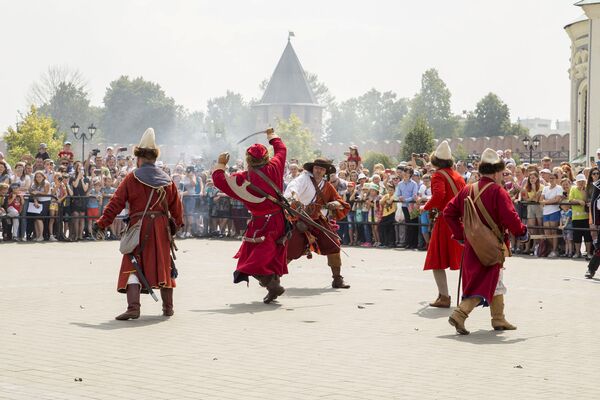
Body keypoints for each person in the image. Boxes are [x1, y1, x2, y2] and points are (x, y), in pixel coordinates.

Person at [94, 128, 184, 320]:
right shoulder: (167, 180)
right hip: (161, 228)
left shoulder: (132, 178)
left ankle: (134, 308)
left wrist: (102, 224)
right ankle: (168, 308)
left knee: (132, 264)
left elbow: (115, 203)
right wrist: (176, 226)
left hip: (139, 227)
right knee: (164, 263)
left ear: (139, 158)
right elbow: (177, 208)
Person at [444, 148, 528, 335]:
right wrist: (522, 233)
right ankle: (460, 313)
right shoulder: (498, 191)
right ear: (497, 172)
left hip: (472, 246)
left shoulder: (467, 189)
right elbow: (511, 218)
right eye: (502, 173)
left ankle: (498, 319)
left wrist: (460, 235)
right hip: (491, 247)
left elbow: (448, 212)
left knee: (495, 280)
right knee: (484, 282)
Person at [211, 129, 288, 303]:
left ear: (248, 160)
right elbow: (281, 149)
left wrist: (221, 164)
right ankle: (273, 285)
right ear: (266, 157)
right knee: (273, 254)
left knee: (250, 261)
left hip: (261, 224)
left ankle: (272, 285)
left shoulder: (242, 179)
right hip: (279, 220)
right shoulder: (275, 166)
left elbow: (218, 180)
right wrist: (272, 136)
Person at [285, 158, 351, 289]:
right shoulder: (303, 179)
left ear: (325, 171)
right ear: (312, 168)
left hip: (317, 219)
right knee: (291, 247)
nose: (319, 170)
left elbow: (339, 201)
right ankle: (273, 277)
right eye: (317, 168)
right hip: (299, 219)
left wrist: (334, 204)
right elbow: (293, 188)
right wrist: (295, 198)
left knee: (333, 243)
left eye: (322, 169)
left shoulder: (327, 185)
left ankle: (337, 279)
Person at [421, 141, 466, 308]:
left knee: (436, 260)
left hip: (444, 221)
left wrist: (425, 207)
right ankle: (467, 295)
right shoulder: (458, 176)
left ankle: (444, 296)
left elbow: (439, 195)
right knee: (463, 260)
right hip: (459, 221)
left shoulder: (438, 175)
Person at [569, 174, 593, 259]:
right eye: (579, 181)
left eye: (583, 181)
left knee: (587, 235)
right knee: (577, 236)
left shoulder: (587, 189)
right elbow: (570, 200)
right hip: (576, 217)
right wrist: (579, 201)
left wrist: (583, 192)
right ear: (577, 182)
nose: (581, 183)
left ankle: (588, 253)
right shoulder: (573, 188)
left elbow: (588, 200)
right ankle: (577, 252)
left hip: (586, 216)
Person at [540, 172, 563, 257]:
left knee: (553, 231)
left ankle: (554, 250)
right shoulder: (545, 188)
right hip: (545, 212)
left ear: (556, 179)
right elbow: (541, 199)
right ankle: (551, 248)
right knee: (547, 232)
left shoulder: (559, 188)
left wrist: (546, 202)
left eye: (553, 178)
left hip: (554, 211)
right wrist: (549, 201)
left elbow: (557, 199)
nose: (551, 180)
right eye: (550, 178)